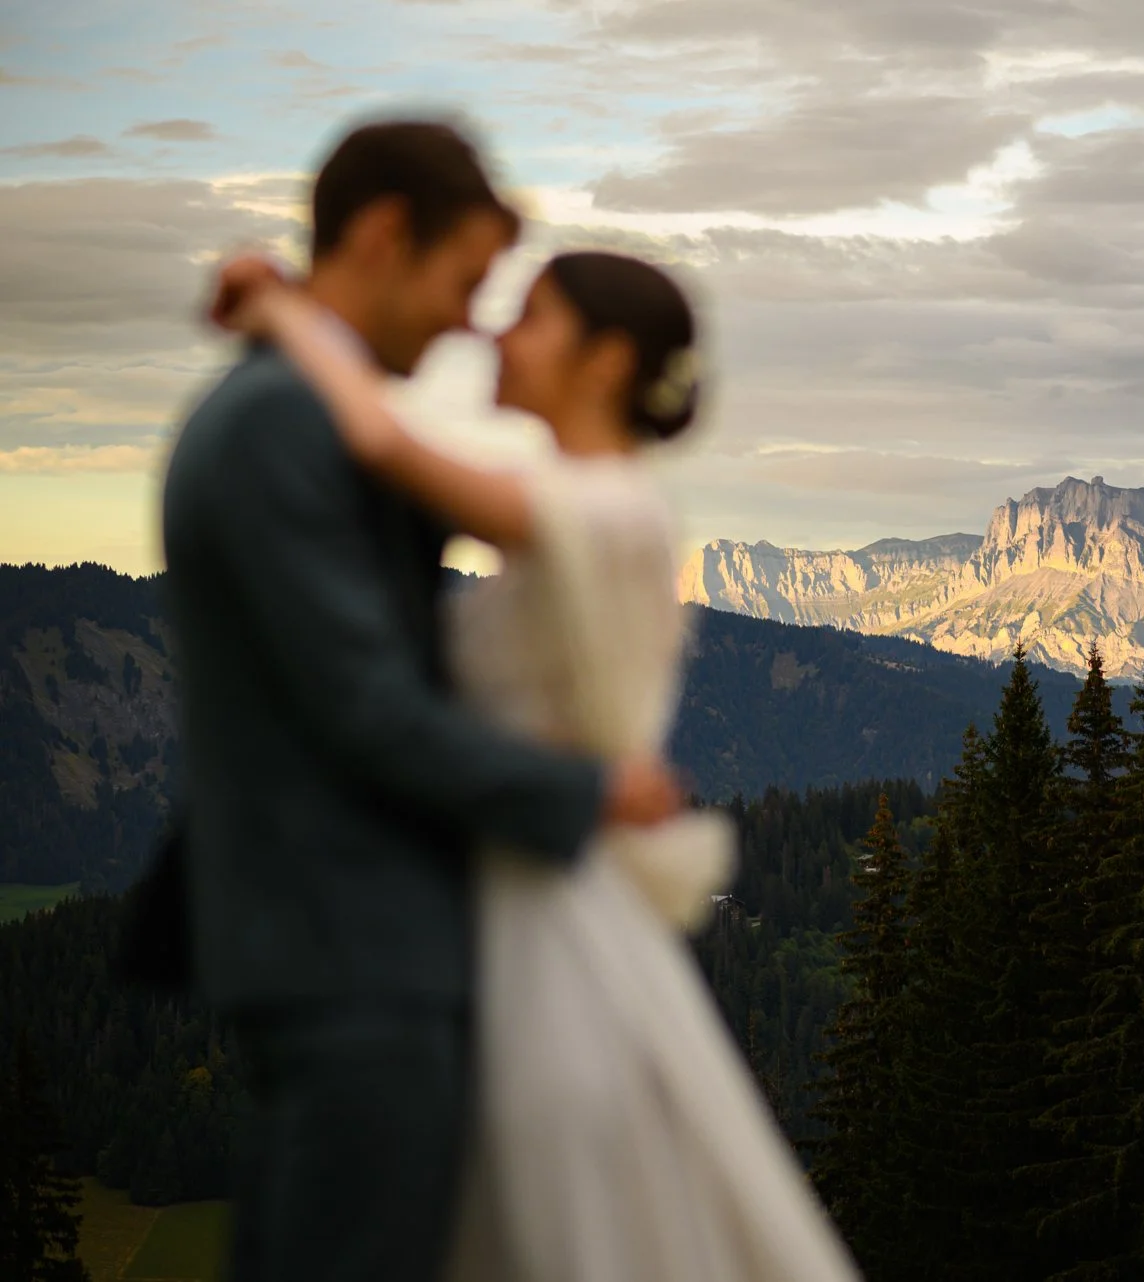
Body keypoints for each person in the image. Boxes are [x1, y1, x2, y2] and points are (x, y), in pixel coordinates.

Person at [211, 245, 862, 1282]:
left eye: (533, 318)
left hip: (538, 920)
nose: (497, 335)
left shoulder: (607, 509)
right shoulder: (591, 501)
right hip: (509, 892)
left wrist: (287, 313)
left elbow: (377, 437)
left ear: (604, 362)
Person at [162, 121, 685, 1282]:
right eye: (464, 282)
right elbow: (364, 707)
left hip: (398, 949)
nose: (472, 324)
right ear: (389, 233)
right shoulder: (277, 425)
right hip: (353, 952)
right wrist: (590, 789)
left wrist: (287, 309)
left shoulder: (308, 414)